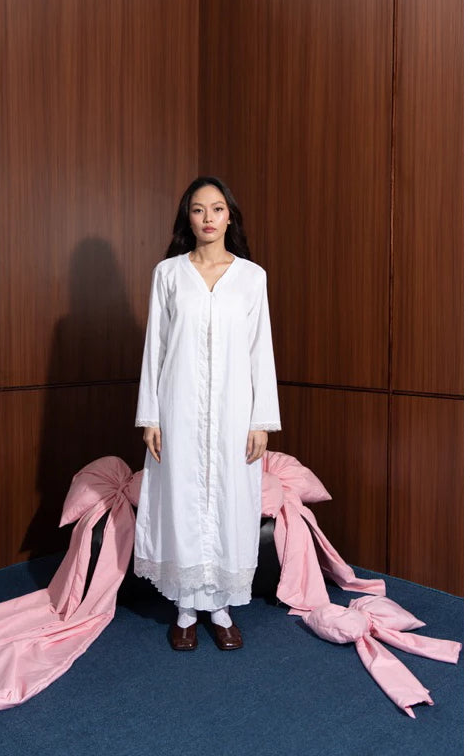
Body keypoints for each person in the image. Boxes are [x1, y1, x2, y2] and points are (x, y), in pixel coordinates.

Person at [134, 176, 281, 651]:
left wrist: (261, 420)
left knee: (229, 499)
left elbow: (262, 353)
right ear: (188, 218)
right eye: (199, 210)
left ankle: (219, 608)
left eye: (217, 209)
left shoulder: (252, 277)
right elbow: (155, 347)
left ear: (229, 216)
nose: (209, 218)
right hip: (178, 407)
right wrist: (150, 416)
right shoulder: (169, 274)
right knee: (182, 498)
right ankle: (184, 608)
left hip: (235, 410)